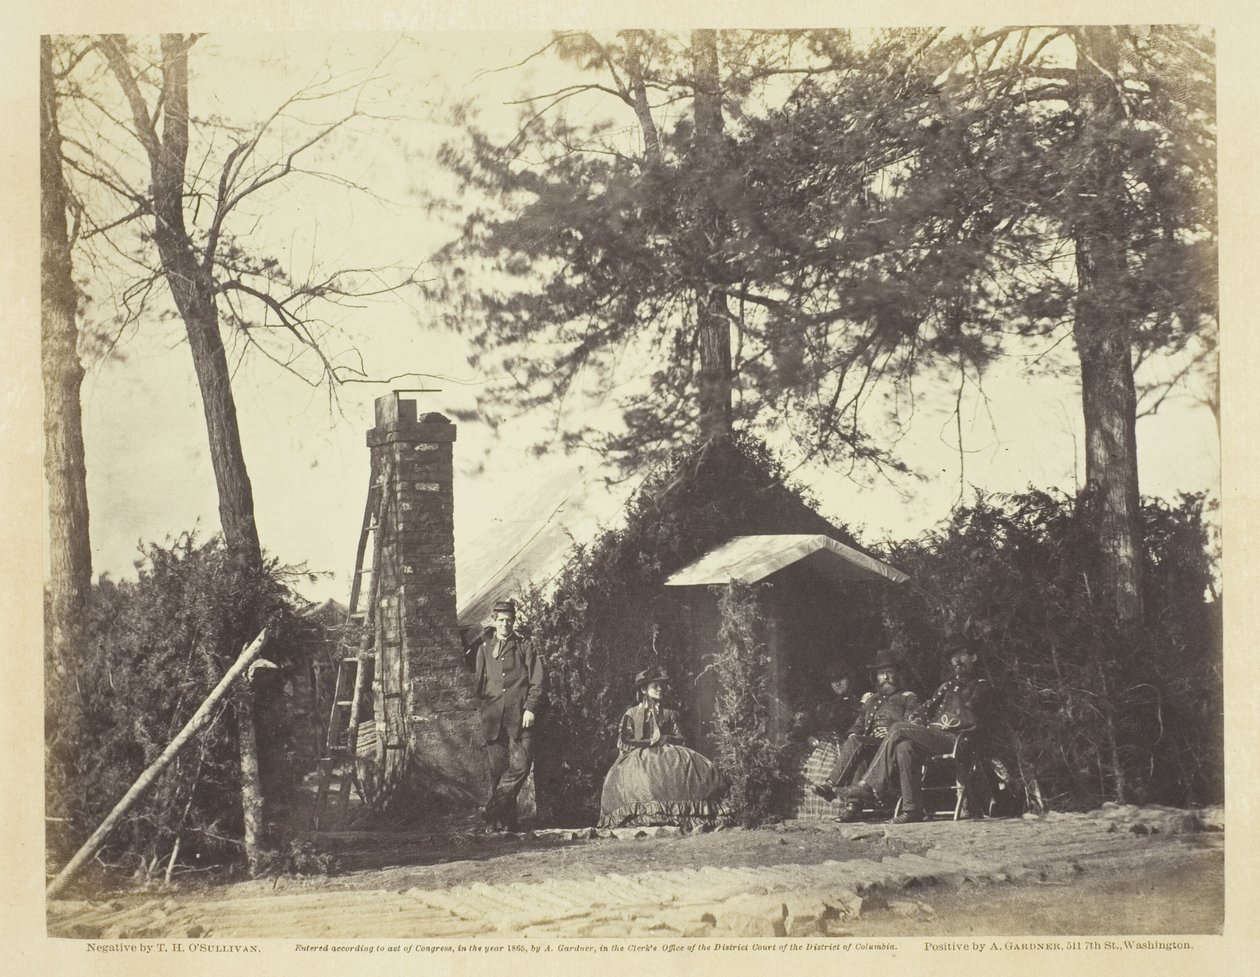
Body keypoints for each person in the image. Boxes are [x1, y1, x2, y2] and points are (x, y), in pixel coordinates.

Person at [839, 641, 992, 824]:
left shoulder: (981, 686)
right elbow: (925, 709)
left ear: (973, 657)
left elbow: (971, 716)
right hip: (936, 738)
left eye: (962, 655)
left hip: (958, 739)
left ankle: (869, 785)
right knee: (904, 746)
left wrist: (934, 725)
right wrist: (918, 722)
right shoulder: (946, 686)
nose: (957, 661)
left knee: (898, 727)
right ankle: (912, 809)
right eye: (953, 657)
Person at [597, 666, 727, 829]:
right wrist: (648, 742)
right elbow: (624, 741)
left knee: (686, 771)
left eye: (662, 685)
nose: (660, 689)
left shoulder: (669, 713)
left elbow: (681, 738)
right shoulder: (632, 713)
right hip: (639, 757)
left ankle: (681, 814)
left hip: (669, 754)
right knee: (641, 776)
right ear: (644, 689)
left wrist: (666, 739)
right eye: (655, 686)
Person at [809, 648, 919, 820]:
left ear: (897, 674)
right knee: (855, 742)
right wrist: (852, 735)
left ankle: (835, 789)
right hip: (873, 745)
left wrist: (890, 731)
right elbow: (857, 727)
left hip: (894, 744)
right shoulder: (871, 701)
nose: (885, 677)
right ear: (876, 677)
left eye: (889, 672)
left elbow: (912, 727)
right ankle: (848, 802)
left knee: (859, 743)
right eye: (881, 673)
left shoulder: (907, 697)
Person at [465, 598, 546, 831]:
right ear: (494, 621)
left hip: (520, 718)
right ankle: (505, 824)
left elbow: (538, 681)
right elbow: (479, 686)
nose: (505, 624)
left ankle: (491, 811)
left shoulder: (525, 647)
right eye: (501, 620)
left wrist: (530, 707)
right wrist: (488, 707)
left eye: (509, 620)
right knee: (498, 772)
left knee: (521, 766)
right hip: (493, 720)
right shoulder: (484, 649)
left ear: (514, 621)